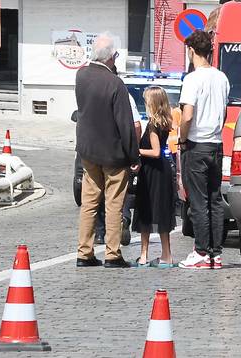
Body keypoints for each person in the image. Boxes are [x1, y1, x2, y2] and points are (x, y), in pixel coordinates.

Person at [75, 34, 139, 268]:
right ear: (112, 57)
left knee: (89, 202)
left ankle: (84, 252)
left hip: (88, 151)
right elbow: (125, 123)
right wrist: (134, 155)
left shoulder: (81, 76)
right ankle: (112, 253)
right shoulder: (115, 84)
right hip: (113, 153)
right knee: (113, 204)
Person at [177, 30, 230, 270]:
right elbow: (225, 112)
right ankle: (216, 254)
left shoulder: (192, 79)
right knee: (215, 200)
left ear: (191, 51)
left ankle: (200, 251)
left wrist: (182, 137)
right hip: (216, 145)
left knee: (198, 201)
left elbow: (187, 115)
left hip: (196, 145)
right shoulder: (222, 78)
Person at [133, 87, 177, 267]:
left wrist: (136, 151)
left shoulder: (152, 124)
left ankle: (144, 255)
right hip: (161, 171)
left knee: (146, 210)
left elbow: (156, 151)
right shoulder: (165, 122)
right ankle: (166, 254)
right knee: (162, 211)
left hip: (152, 172)